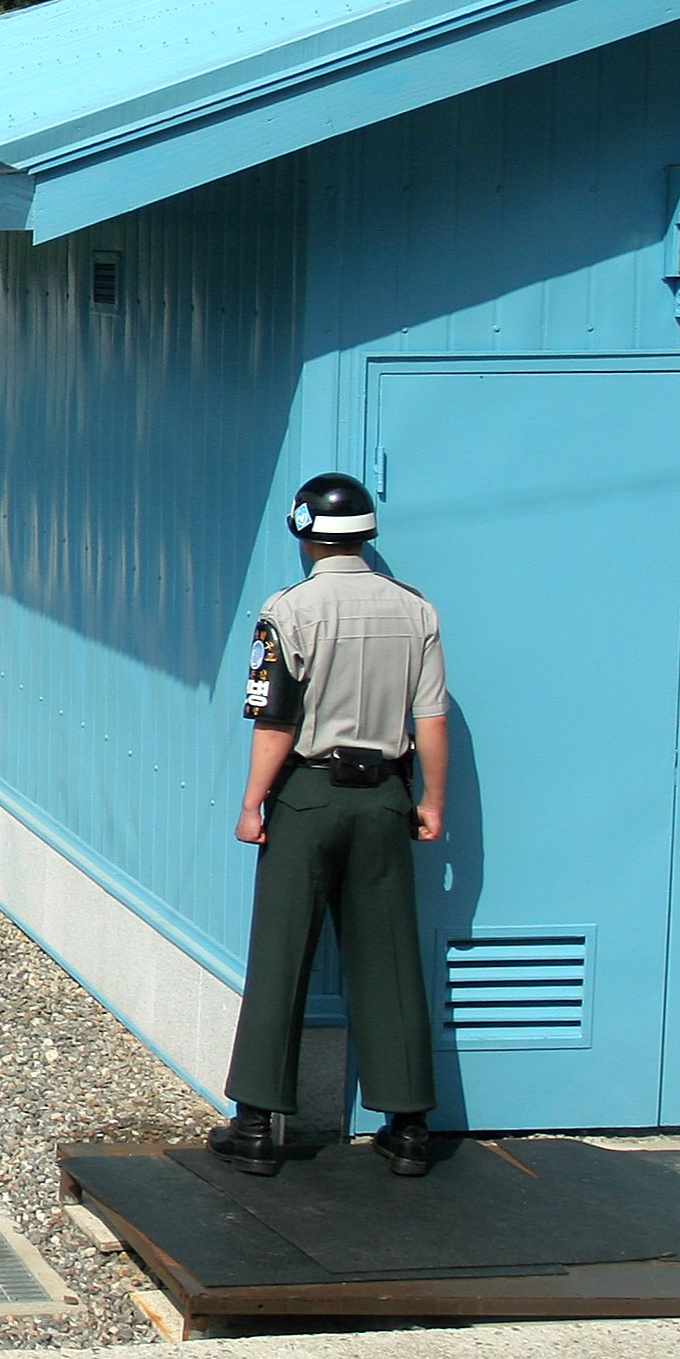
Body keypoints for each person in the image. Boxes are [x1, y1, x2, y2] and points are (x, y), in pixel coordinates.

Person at [212, 472, 450, 1179]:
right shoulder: (416, 612)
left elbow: (275, 719)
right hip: (384, 798)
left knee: (282, 951)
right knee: (390, 956)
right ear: (367, 533)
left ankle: (257, 1123)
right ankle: (406, 1127)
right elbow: (429, 719)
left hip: (308, 797)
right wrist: (431, 800)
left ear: (302, 530)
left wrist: (253, 802)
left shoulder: (287, 610)